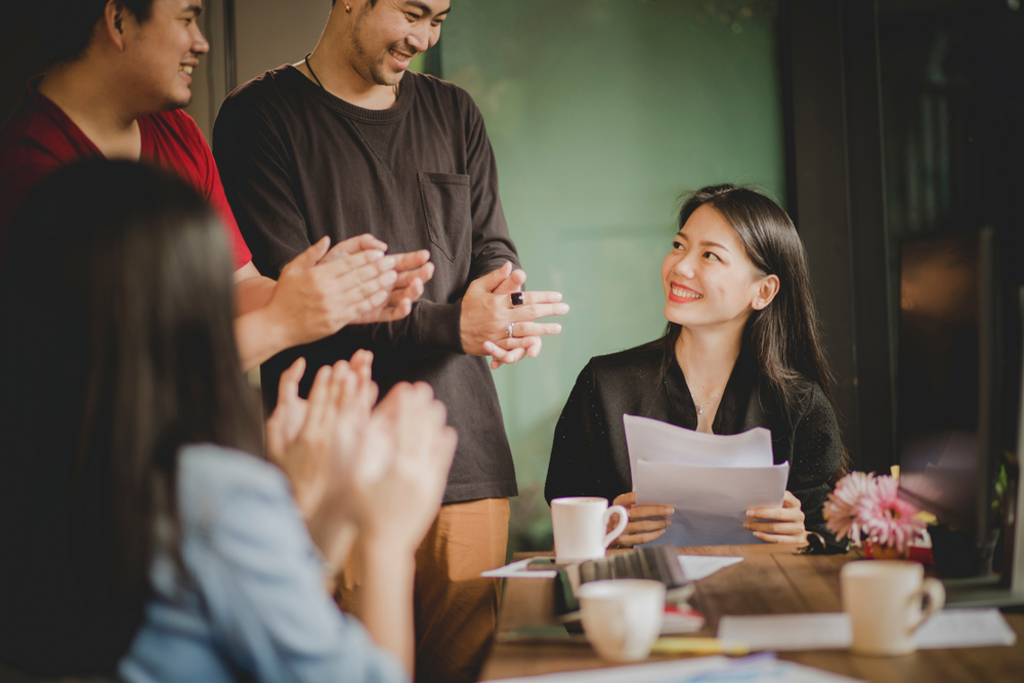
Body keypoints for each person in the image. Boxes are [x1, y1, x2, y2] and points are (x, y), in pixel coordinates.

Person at [212, 1, 568, 680]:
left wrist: (502, 300)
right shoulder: (258, 118)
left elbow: (491, 242)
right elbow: (307, 302)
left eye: (438, 18)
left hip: (463, 459)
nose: (424, 37)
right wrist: (454, 323)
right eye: (411, 12)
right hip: (333, 469)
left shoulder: (454, 111)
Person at [0, 159, 456, 681]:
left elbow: (251, 620)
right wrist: (387, 539)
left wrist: (313, 515)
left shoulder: (35, 478)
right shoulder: (206, 494)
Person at [0, 0, 433, 371]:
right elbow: (127, 373)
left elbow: (235, 286)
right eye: (186, 19)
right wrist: (283, 321)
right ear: (118, 21)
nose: (201, 42)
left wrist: (328, 293)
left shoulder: (177, 132)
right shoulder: (28, 171)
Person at [545, 184, 845, 546]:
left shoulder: (800, 403)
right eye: (679, 246)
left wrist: (803, 536)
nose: (680, 267)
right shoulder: (604, 384)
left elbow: (832, 536)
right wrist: (608, 531)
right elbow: (565, 521)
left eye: (710, 256)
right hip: (640, 596)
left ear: (763, 291)